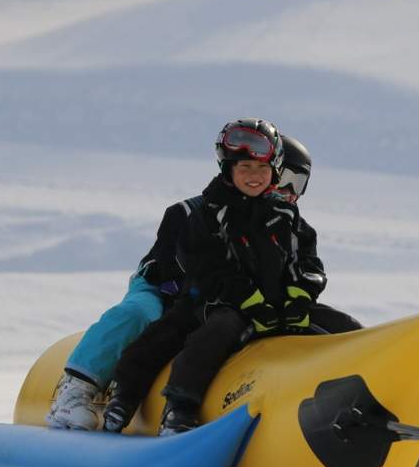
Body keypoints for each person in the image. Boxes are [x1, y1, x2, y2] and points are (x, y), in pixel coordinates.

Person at [46, 132, 356, 430]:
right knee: (142, 315)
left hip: (225, 299)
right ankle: (78, 386)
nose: (287, 191)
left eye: (297, 184)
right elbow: (178, 265)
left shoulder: (279, 221)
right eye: (284, 178)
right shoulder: (195, 212)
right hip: (166, 289)